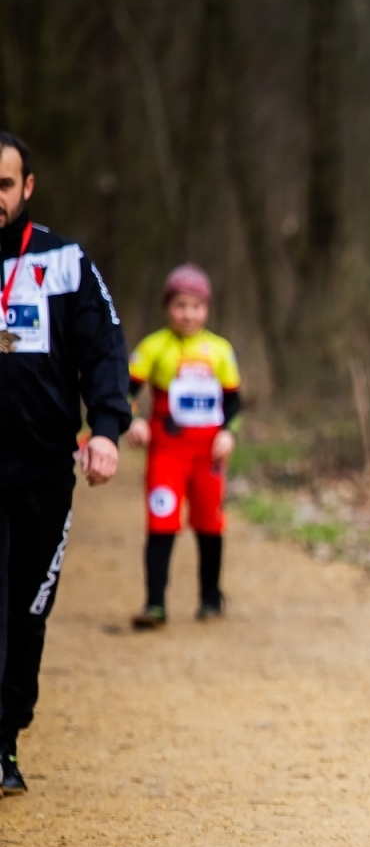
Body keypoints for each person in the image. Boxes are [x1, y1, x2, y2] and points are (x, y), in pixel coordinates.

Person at [0, 131, 130, 795]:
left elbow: (105, 349)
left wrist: (105, 429)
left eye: (2, 185)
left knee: (26, 609)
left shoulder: (64, 262)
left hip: (45, 465)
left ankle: (5, 740)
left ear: (27, 188)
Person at [125, 264, 241, 628]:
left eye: (196, 306)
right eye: (180, 305)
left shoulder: (220, 350)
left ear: (207, 309)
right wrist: (133, 420)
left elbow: (234, 401)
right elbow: (125, 391)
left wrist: (228, 432)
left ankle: (210, 597)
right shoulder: (153, 347)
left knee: (209, 522)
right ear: (167, 307)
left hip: (208, 451)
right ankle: (155, 603)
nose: (188, 314)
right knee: (162, 521)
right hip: (166, 451)